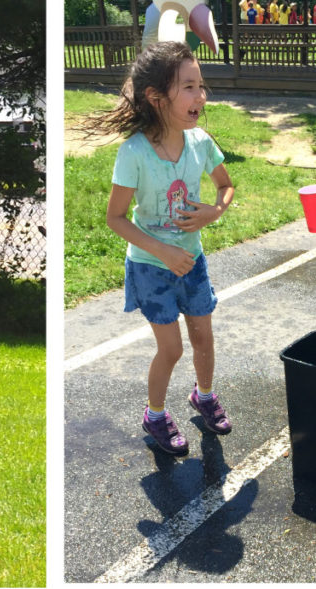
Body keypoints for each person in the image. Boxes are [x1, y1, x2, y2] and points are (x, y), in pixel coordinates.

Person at [91, 45, 234, 455]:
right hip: (152, 267)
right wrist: (163, 252)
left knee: (203, 338)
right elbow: (115, 218)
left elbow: (226, 186)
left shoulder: (201, 143)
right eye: (188, 87)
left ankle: (203, 396)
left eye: (201, 86)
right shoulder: (134, 152)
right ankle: (155, 417)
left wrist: (213, 212)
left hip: (192, 261)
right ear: (157, 98)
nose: (200, 97)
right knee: (171, 349)